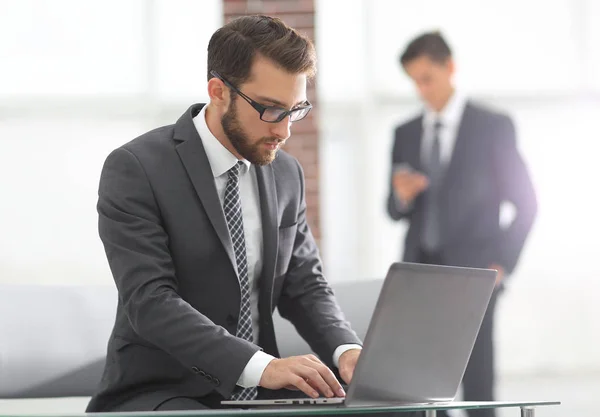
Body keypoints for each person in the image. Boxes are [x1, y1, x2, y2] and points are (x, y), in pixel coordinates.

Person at [86, 15, 364, 412]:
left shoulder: (286, 173)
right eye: (270, 110)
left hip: (262, 395)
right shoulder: (137, 167)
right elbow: (150, 301)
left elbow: (305, 285)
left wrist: (346, 351)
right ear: (219, 91)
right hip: (160, 391)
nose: (284, 131)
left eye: (295, 110)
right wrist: (259, 366)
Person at [387, 32, 538, 417]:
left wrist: (502, 263)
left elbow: (526, 203)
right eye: (414, 82)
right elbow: (392, 209)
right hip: (420, 275)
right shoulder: (405, 133)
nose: (421, 90)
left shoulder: (492, 126)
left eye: (427, 79)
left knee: (477, 384)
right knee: (418, 383)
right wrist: (401, 195)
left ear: (450, 68)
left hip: (476, 273)